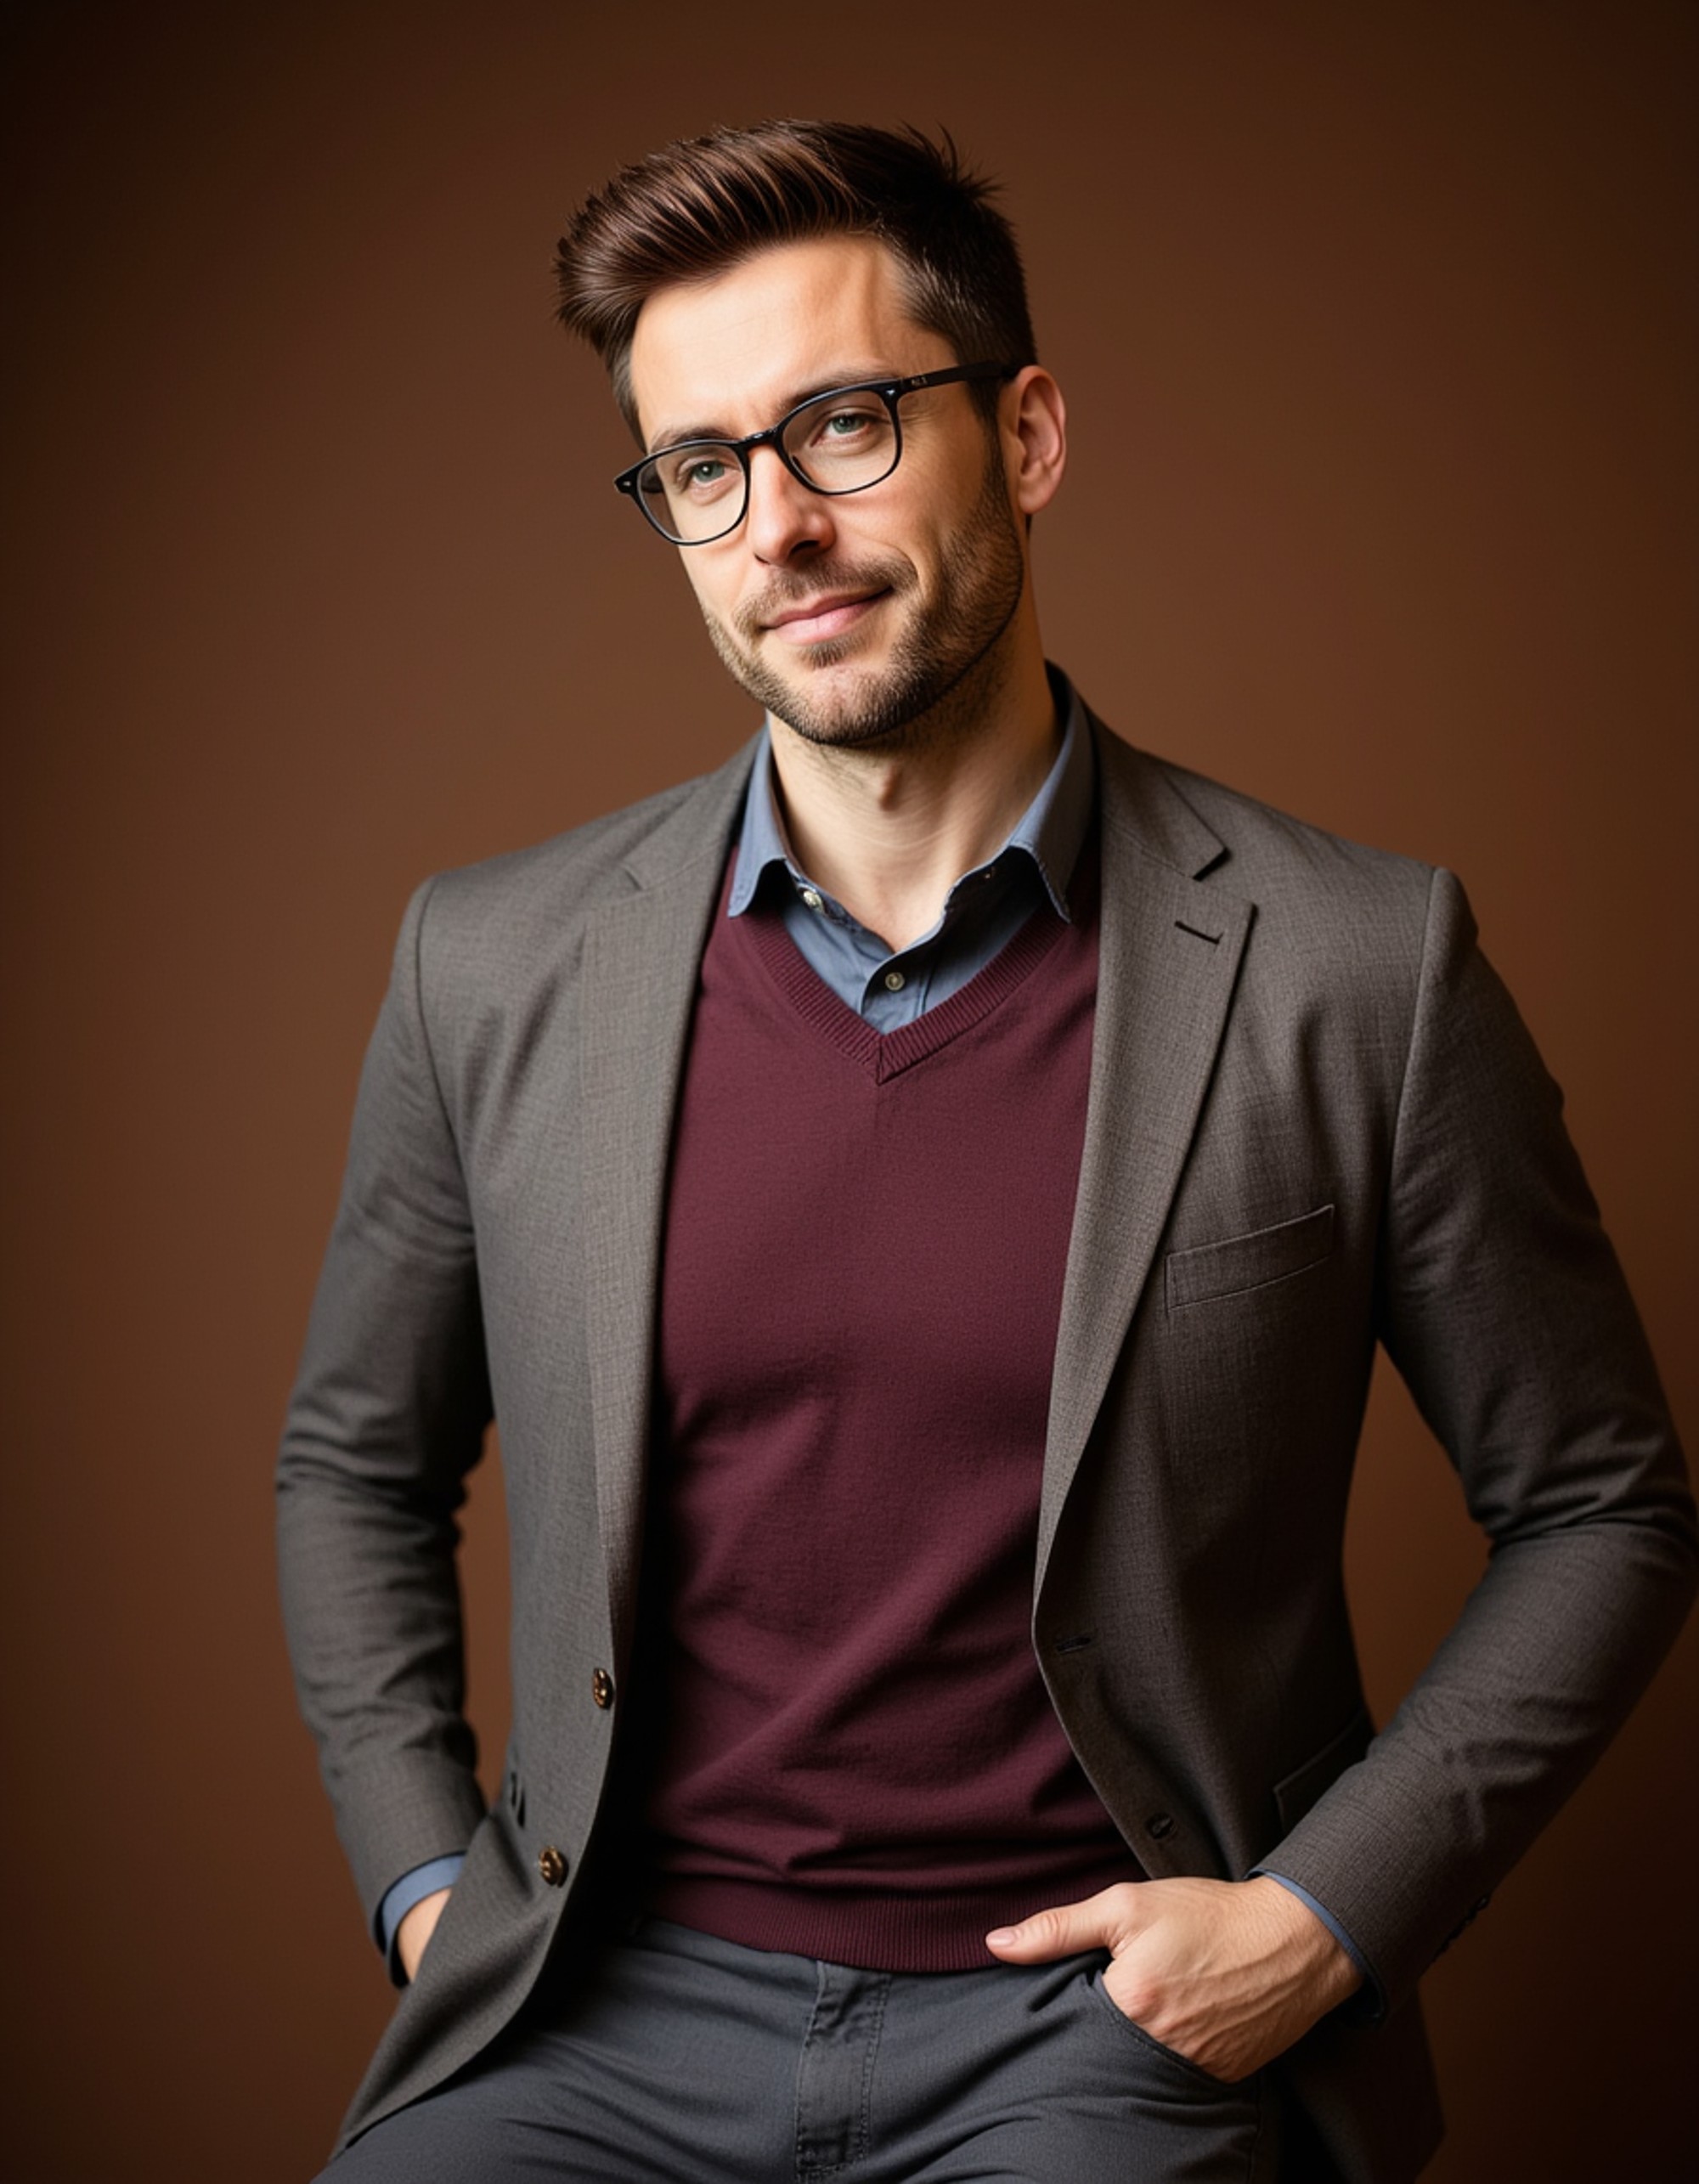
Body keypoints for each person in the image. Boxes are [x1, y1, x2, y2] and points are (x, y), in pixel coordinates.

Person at [277, 121, 1695, 2184]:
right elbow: (353, 1461)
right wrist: (426, 1879)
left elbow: (1600, 1505)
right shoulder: (490, 960)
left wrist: (1312, 1922)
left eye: (844, 425)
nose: (777, 524)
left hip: (1096, 2033)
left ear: (1023, 434)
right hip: (595, 2005)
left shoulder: (1357, 961)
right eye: (702, 467)